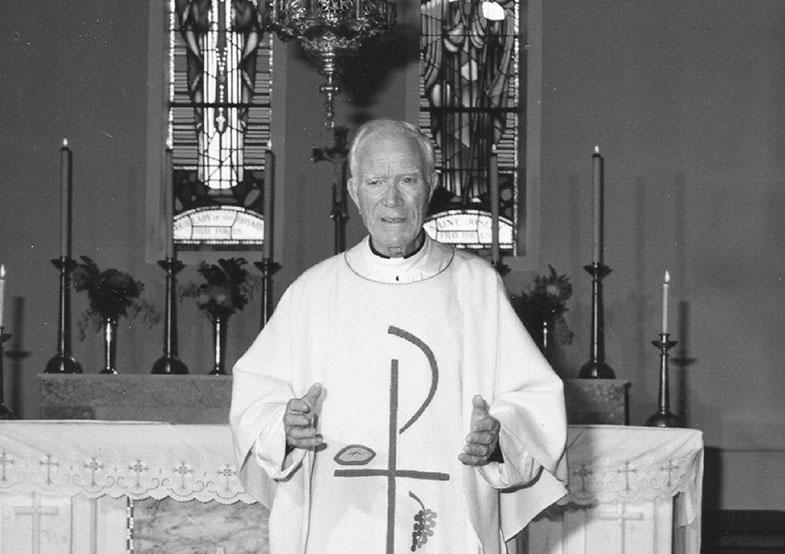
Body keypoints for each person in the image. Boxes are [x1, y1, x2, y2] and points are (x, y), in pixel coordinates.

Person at [230, 118, 567, 553]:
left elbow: (534, 401)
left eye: (408, 180)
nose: (392, 199)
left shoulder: (476, 287)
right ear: (354, 190)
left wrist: (499, 438)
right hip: (342, 524)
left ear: (432, 185)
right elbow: (256, 403)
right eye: (375, 181)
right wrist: (286, 428)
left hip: (448, 523)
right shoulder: (314, 292)